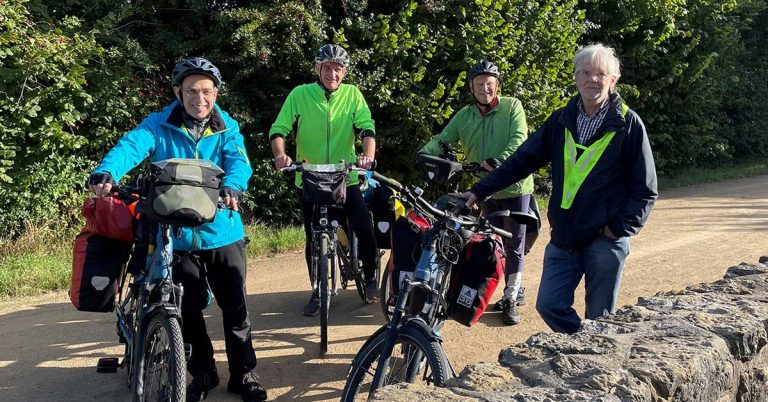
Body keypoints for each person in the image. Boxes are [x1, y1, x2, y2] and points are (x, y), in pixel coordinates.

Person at [88, 57, 267, 402]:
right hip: (176, 234)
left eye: (206, 91)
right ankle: (203, 372)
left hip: (222, 231)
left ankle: (244, 373)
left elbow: (239, 162)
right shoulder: (159, 124)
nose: (199, 99)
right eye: (190, 91)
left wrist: (233, 186)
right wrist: (107, 171)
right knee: (187, 308)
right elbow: (131, 146)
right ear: (177, 92)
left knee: (235, 307)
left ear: (215, 92)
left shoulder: (226, 126)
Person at [461, 44, 658, 334]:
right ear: (576, 78)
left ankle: (593, 364)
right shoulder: (561, 120)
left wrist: (617, 229)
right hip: (565, 235)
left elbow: (646, 189)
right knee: (549, 304)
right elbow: (522, 161)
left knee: (600, 319)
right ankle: (581, 345)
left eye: (600, 74)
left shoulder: (628, 124)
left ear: (612, 80)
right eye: (586, 72)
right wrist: (478, 191)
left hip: (605, 239)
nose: (592, 79)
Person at [418, 60, 534, 325]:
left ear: (497, 85)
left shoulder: (512, 106)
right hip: (484, 191)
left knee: (515, 243)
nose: (485, 88)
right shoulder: (465, 115)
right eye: (479, 83)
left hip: (515, 186)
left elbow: (519, 139)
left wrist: (499, 160)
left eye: (490, 83)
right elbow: (443, 139)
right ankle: (493, 288)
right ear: (471, 87)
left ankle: (511, 297)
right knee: (492, 245)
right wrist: (425, 153)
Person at [269, 44, 379, 315]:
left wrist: (366, 156)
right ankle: (318, 289)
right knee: (312, 235)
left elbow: (367, 128)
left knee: (364, 227)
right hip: (309, 176)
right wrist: (281, 155)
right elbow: (279, 128)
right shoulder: (300, 94)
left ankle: (370, 277)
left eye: (338, 69)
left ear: (344, 72)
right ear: (317, 69)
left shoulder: (353, 95)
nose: (332, 73)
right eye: (327, 68)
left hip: (346, 176)